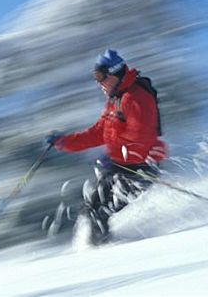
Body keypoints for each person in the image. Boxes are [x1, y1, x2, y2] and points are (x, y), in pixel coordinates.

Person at [46, 49, 167, 245]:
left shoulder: (135, 98)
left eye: (101, 77)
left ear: (115, 73)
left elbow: (141, 137)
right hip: (120, 166)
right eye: (95, 77)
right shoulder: (115, 100)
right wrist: (64, 142)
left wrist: (115, 155)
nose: (98, 82)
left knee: (99, 212)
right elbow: (98, 132)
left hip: (139, 169)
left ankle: (105, 254)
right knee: (89, 209)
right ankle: (96, 247)